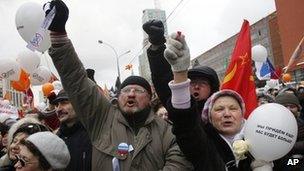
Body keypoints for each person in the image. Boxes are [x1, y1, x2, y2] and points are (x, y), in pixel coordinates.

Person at [44, 1, 192, 170]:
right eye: (126, 90)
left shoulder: (167, 132)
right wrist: (58, 34)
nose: (131, 94)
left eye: (138, 91)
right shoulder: (103, 119)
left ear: (150, 99)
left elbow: (179, 164)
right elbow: (77, 80)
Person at [163, 32, 275, 170]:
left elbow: (294, 162)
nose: (227, 114)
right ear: (209, 116)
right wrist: (180, 72)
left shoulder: (265, 137)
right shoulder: (204, 144)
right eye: (219, 109)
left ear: (242, 114)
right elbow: (185, 124)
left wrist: (280, 164)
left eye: (233, 108)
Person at [143, 19, 220, 114]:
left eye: (202, 83)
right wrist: (157, 45)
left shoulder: (223, 112)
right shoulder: (181, 113)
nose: (196, 86)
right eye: (192, 83)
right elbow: (162, 78)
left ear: (213, 88)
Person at [52, 89, 92, 171]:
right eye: (57, 105)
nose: (58, 109)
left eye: (64, 103)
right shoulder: (55, 139)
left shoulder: (93, 134)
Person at [274, 93, 304, 171]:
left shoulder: (302, 126)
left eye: (292, 106)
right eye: (284, 106)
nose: (288, 109)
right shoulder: (270, 127)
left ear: (298, 108)